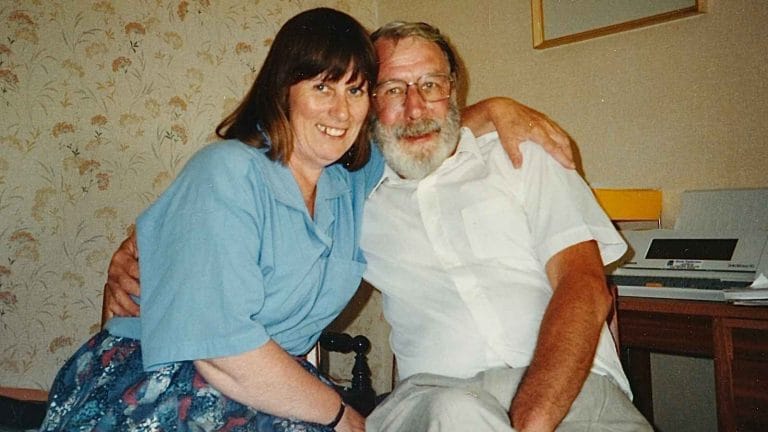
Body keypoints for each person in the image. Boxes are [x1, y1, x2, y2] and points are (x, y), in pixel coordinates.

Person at [42, 8, 571, 432]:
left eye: (356, 90)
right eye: (322, 86)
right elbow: (222, 351)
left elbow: (418, 130)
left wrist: (497, 107)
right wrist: (342, 415)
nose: (340, 111)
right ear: (282, 90)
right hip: (166, 380)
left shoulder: (349, 182)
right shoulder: (227, 171)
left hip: (272, 387)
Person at [359, 22, 652, 431]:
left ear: (454, 91)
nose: (415, 107)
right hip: (434, 398)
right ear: (368, 102)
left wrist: (533, 418)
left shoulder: (522, 154)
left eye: (431, 85)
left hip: (574, 390)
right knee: (456, 412)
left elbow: (583, 284)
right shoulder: (355, 197)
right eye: (393, 89)